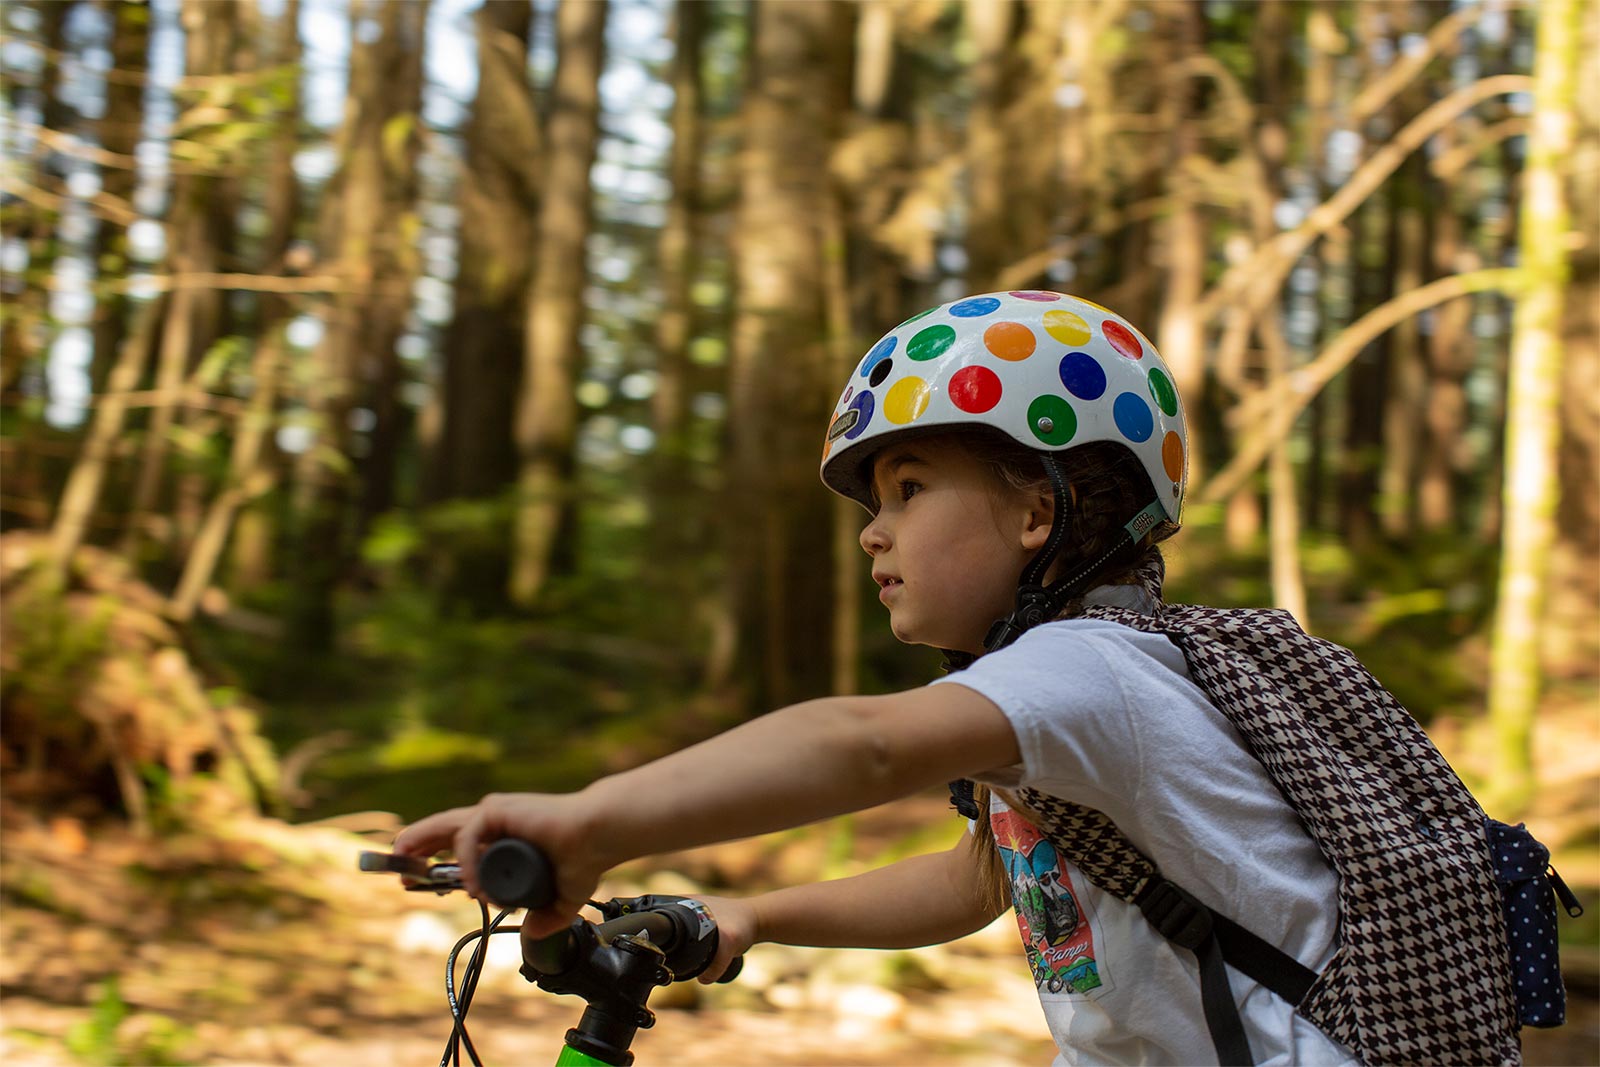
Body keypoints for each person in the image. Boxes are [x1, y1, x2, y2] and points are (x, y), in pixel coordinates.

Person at [395, 291, 1357, 1066]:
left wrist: (590, 821)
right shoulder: (1069, 702)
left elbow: (864, 744)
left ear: (1036, 513)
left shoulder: (1094, 667)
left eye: (910, 487)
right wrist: (757, 916)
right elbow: (982, 878)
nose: (873, 529)